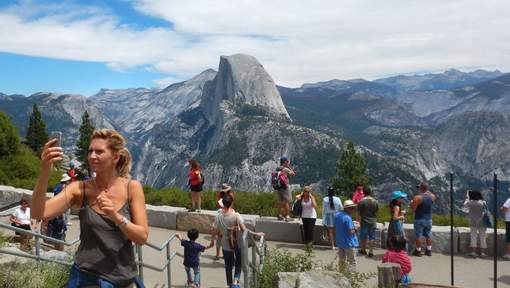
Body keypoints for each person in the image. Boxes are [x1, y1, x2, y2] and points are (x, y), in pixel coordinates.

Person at [31, 129, 148, 287]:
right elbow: (39, 214)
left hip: (121, 279)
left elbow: (141, 237)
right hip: (85, 277)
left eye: (99, 152)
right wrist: (45, 172)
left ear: (115, 157)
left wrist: (115, 216)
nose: (92, 156)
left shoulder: (132, 188)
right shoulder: (79, 189)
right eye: (90, 151)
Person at [212, 195, 264, 287]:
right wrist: (256, 234)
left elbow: (215, 232)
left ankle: (230, 284)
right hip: (238, 243)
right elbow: (245, 230)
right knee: (238, 262)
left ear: (223, 204)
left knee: (228, 265)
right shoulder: (236, 215)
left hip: (225, 243)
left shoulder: (218, 217)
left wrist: (212, 242)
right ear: (232, 203)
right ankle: (236, 281)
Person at [46, 173, 72, 251]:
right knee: (61, 223)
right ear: (66, 181)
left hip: (56, 206)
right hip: (61, 207)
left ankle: (59, 240)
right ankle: (60, 241)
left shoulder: (57, 186)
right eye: (68, 180)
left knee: (59, 223)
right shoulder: (63, 187)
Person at [411, 182, 436, 256]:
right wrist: (427, 190)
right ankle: (428, 250)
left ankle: (418, 251)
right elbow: (430, 199)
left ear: (421, 188)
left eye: (419, 188)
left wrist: (412, 203)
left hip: (419, 219)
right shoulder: (433, 196)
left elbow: (413, 209)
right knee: (428, 235)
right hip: (429, 219)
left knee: (418, 235)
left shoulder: (417, 197)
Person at [334, 200, 359, 273]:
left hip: (340, 241)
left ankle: (341, 275)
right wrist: (356, 229)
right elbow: (351, 232)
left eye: (353, 208)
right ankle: (350, 278)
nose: (353, 209)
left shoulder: (337, 215)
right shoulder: (347, 218)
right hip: (349, 243)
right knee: (352, 262)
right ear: (346, 208)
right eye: (351, 208)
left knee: (342, 260)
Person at [462, 190, 488, 257]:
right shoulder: (483, 202)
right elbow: (486, 211)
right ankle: (483, 253)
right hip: (483, 222)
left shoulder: (470, 202)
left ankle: (473, 252)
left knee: (473, 236)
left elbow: (464, 205)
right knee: (483, 237)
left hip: (473, 222)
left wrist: (467, 197)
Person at [213, 183, 234, 261]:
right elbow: (230, 205)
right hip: (224, 213)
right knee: (222, 237)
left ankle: (222, 254)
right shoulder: (229, 195)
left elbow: (230, 205)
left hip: (223, 213)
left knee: (222, 237)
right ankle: (220, 254)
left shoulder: (224, 195)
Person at [357, 187, 379, 257]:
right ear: (370, 192)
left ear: (363, 192)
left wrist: (358, 220)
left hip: (364, 221)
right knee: (372, 237)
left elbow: (358, 212)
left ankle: (363, 250)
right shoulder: (375, 201)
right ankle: (371, 251)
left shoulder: (361, 201)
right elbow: (376, 210)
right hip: (373, 221)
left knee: (363, 236)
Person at [275, 156, 295, 221]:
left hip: (278, 187)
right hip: (285, 187)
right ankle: (287, 216)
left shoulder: (278, 168)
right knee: (287, 201)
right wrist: (289, 167)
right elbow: (293, 174)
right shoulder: (285, 169)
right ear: (285, 162)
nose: (288, 162)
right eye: (287, 161)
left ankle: (280, 215)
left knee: (280, 201)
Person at [501, 190, 510, 260]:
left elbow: (504, 209)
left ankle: (508, 254)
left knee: (509, 238)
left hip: (509, 220)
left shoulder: (509, 200)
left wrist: (501, 208)